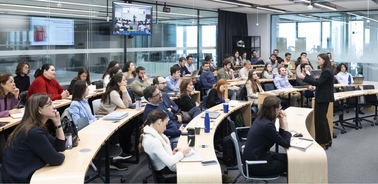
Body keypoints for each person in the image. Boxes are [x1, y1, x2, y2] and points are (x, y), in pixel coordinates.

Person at [1, 94, 65, 183]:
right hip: (19, 179)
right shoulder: (33, 132)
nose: (53, 107)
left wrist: (57, 123)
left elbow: (60, 147)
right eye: (49, 104)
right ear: (39, 110)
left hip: (23, 175)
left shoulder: (36, 127)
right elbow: (57, 160)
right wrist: (60, 154)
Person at [242, 96, 291, 177]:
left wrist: (281, 121)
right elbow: (286, 143)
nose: (280, 109)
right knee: (290, 164)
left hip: (256, 156)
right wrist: (285, 121)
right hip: (256, 164)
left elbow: (280, 138)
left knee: (288, 159)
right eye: (280, 107)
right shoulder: (267, 125)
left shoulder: (261, 119)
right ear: (275, 109)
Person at [139, 109, 191, 183]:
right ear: (159, 122)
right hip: (166, 171)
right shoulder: (154, 141)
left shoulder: (148, 135)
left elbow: (159, 155)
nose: (165, 128)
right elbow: (170, 162)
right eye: (165, 124)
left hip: (163, 167)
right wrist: (182, 152)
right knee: (194, 168)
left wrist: (172, 153)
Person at [297, 53, 334, 149]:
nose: (317, 60)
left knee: (319, 120)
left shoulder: (326, 71)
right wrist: (312, 82)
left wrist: (303, 77)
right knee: (323, 119)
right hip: (323, 96)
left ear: (324, 60)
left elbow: (318, 82)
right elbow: (321, 84)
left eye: (319, 59)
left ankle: (322, 142)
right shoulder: (327, 70)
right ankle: (327, 140)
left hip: (323, 98)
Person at [97, 73, 133, 169]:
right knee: (118, 128)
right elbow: (125, 106)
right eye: (124, 80)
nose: (126, 81)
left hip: (113, 116)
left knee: (129, 125)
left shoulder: (119, 90)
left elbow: (129, 103)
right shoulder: (113, 92)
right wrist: (125, 92)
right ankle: (115, 158)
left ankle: (121, 151)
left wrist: (125, 91)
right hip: (103, 118)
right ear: (118, 83)